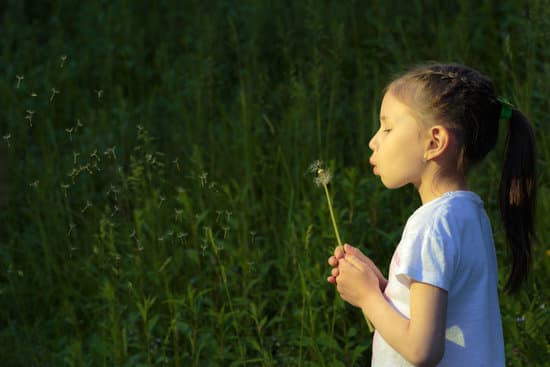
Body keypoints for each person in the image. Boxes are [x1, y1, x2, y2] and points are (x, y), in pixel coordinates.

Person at [327, 63, 537, 366]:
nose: (374, 140)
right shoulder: (469, 215)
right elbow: (440, 315)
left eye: (387, 128)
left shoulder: (431, 225)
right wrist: (385, 290)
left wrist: (368, 299)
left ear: (434, 142)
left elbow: (422, 349)